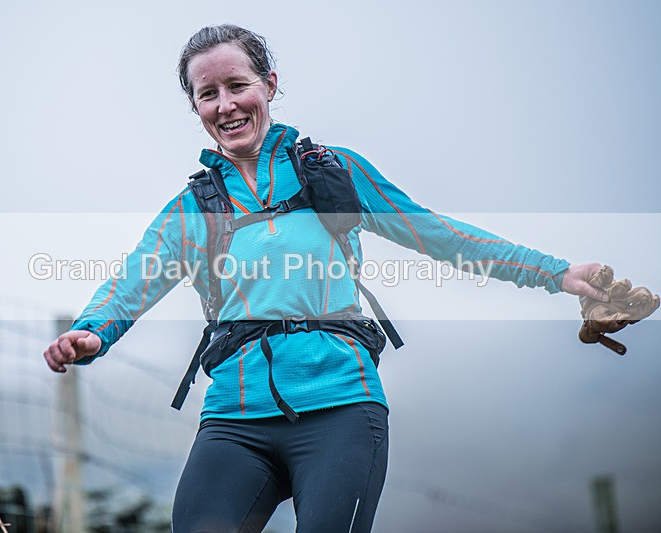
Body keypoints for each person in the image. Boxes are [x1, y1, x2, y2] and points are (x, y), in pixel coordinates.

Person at [43, 24, 611, 532]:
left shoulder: (334, 171)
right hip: (234, 420)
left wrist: (560, 274)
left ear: (268, 83)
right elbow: (129, 286)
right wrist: (92, 334)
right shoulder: (192, 209)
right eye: (207, 94)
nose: (226, 105)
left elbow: (442, 237)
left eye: (237, 85)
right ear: (195, 108)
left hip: (342, 407)